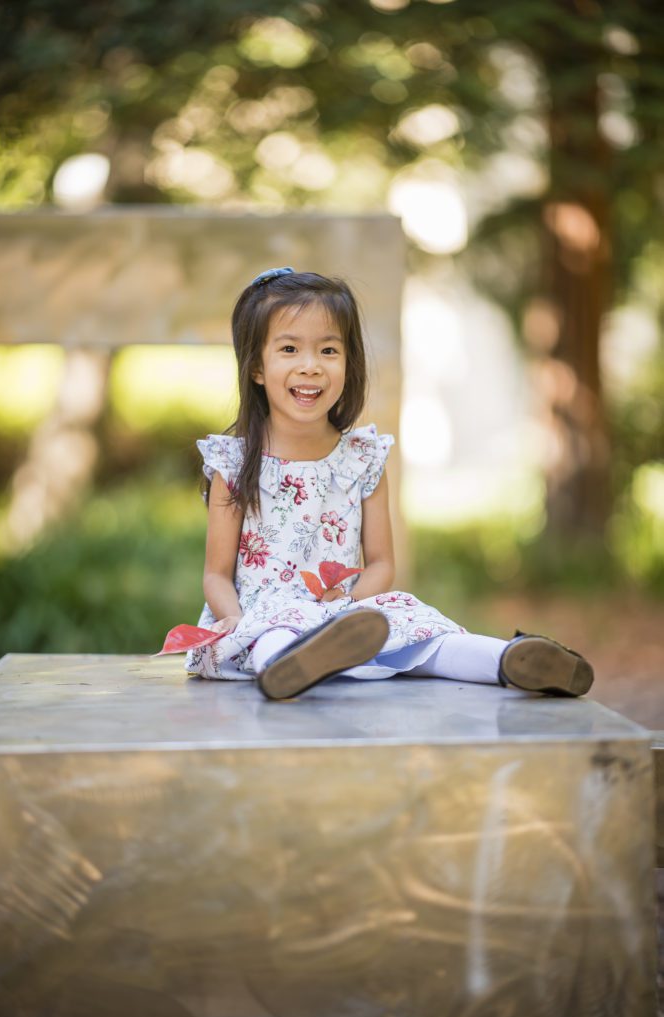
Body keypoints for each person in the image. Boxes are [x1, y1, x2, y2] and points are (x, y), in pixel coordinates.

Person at [182, 267, 594, 702]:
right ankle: (292, 666)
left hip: (347, 616)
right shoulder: (234, 464)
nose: (311, 366)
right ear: (257, 369)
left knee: (423, 635)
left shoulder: (362, 458)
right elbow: (216, 574)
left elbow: (380, 563)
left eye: (328, 350)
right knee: (273, 639)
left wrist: (342, 612)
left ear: (348, 362)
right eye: (289, 349)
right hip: (264, 615)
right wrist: (237, 620)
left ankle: (508, 660)